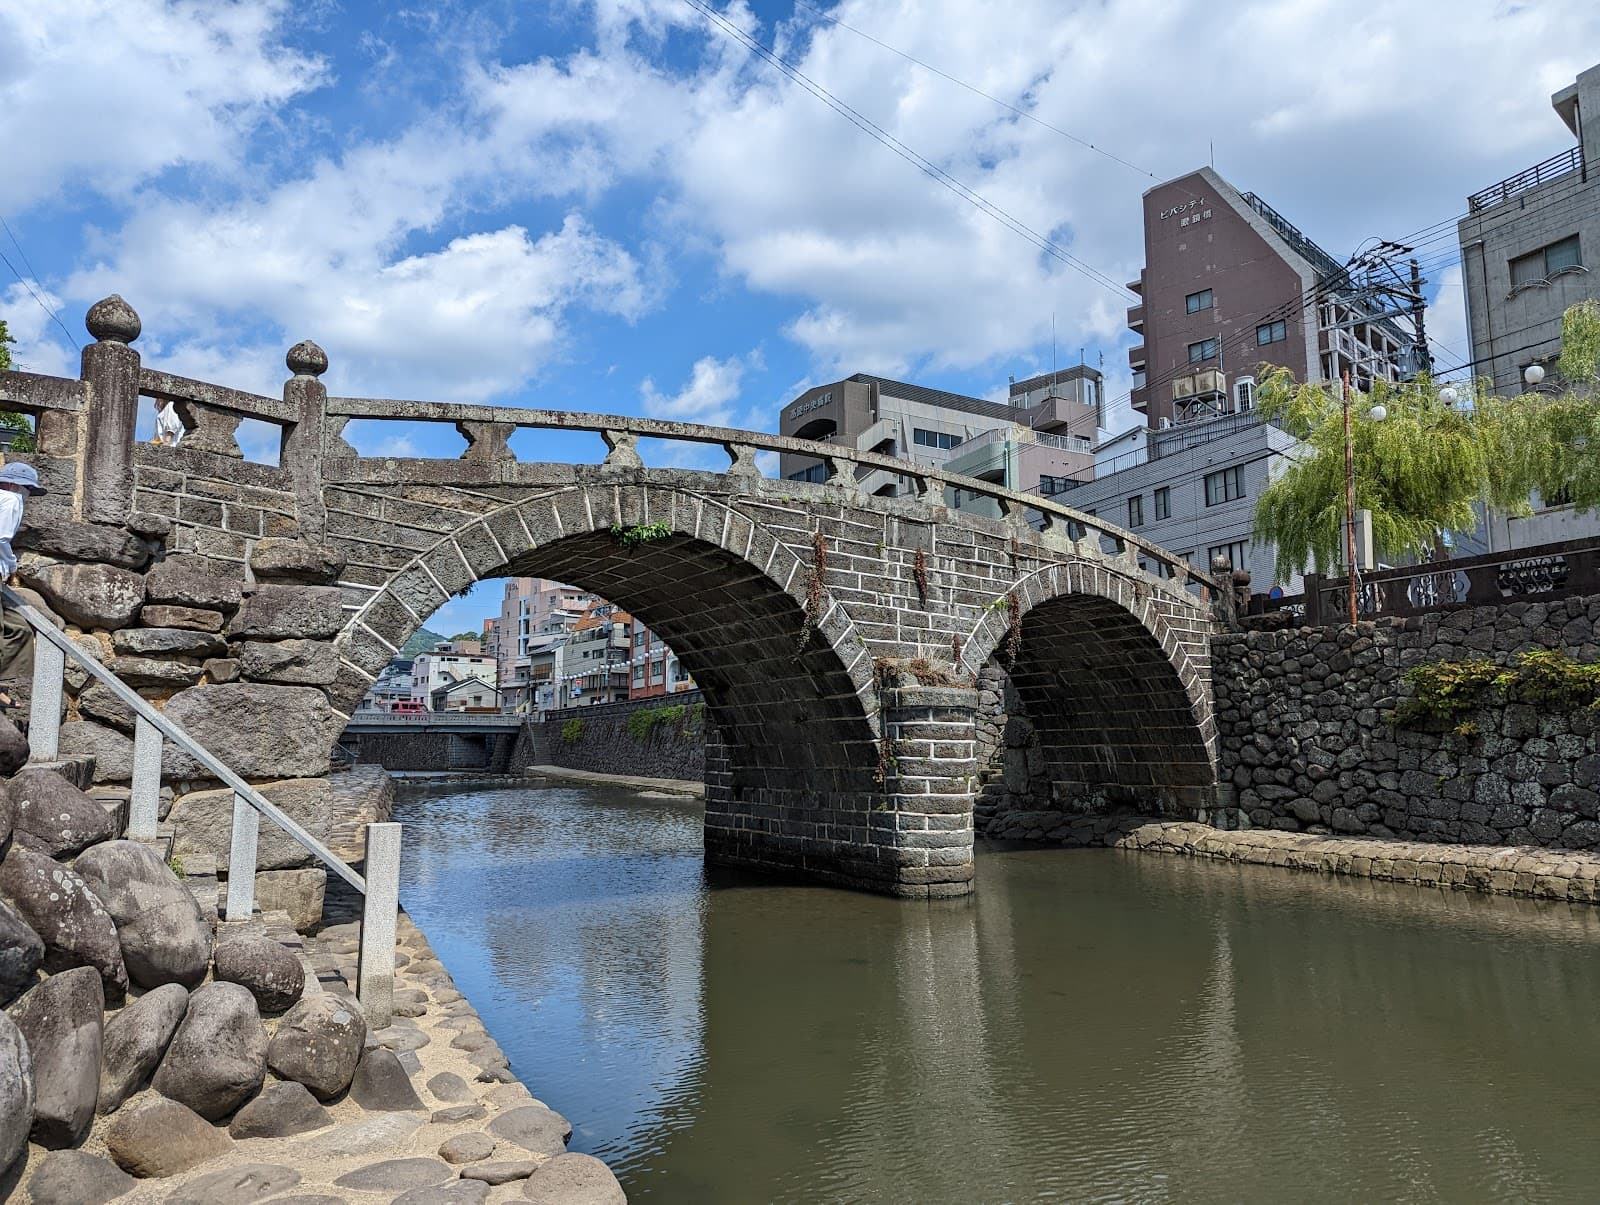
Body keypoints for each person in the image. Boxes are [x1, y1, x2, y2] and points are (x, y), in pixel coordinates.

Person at [0, 461, 46, 707]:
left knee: (18, 628)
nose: (26, 494)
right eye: (26, 488)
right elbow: (1, 536)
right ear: (12, 484)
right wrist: (11, 564)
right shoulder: (10, 499)